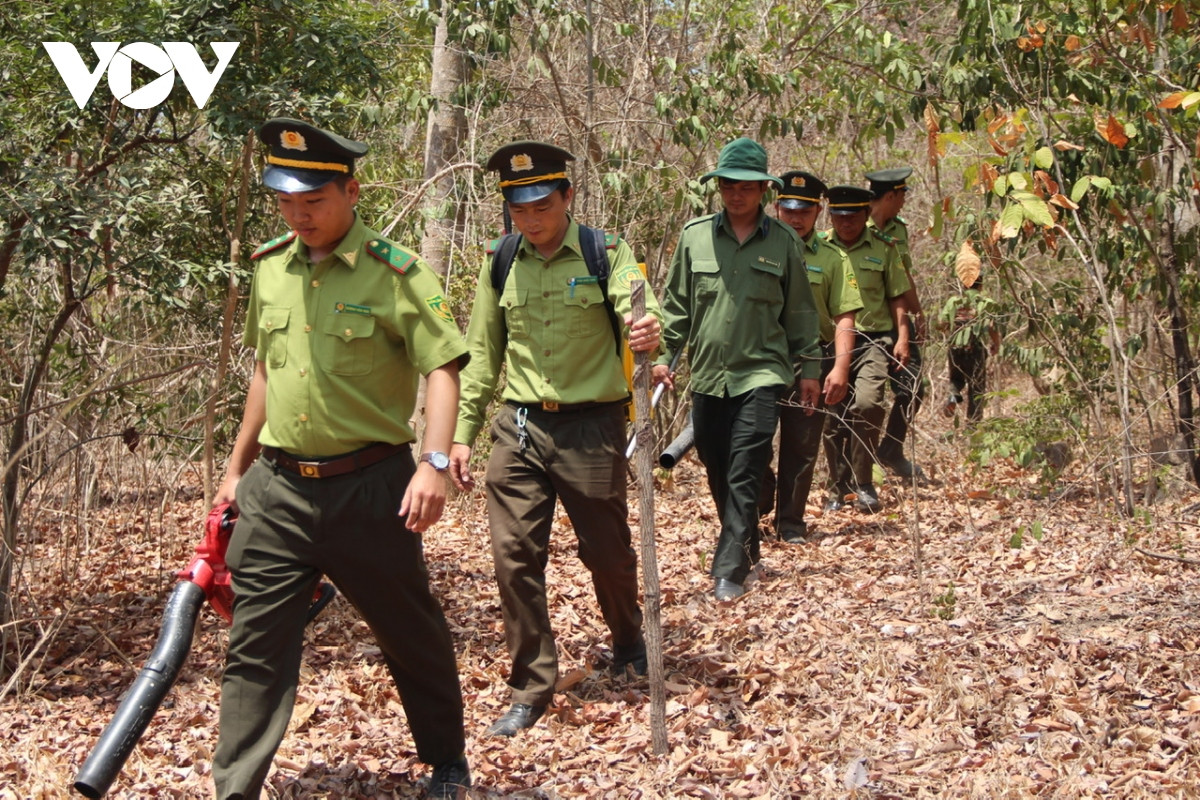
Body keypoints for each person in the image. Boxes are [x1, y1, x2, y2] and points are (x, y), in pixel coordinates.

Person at [212, 119, 471, 799]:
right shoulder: (270, 267)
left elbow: (443, 367)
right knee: (255, 647)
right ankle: (234, 788)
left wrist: (433, 463)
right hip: (277, 489)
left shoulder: (396, 272)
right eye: (286, 202)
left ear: (351, 192)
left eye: (314, 201)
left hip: (371, 488)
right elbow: (265, 373)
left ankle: (446, 759)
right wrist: (236, 470)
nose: (299, 216)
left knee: (407, 629)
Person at [449, 141, 663, 738]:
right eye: (519, 209)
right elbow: (482, 355)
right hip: (519, 426)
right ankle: (531, 685)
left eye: (542, 205)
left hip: (590, 428)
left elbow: (639, 308)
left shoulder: (606, 252)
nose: (531, 219)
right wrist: (461, 435)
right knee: (514, 555)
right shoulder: (500, 261)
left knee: (607, 552)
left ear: (567, 196)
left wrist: (647, 330)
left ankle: (628, 638)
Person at [654, 138, 821, 601]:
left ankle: (727, 570)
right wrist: (664, 358)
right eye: (728, 185)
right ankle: (747, 548)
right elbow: (676, 308)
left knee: (746, 468)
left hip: (762, 374)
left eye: (746, 186)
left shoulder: (784, 242)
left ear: (764, 190)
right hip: (709, 375)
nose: (736, 194)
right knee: (717, 468)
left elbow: (801, 312)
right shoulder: (695, 237)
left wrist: (809, 368)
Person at [771, 171, 861, 542]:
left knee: (802, 444)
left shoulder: (833, 257)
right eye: (789, 209)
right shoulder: (759, 246)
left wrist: (840, 366)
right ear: (776, 207)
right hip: (762, 357)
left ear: (818, 212)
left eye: (804, 211)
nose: (796, 218)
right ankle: (755, 504)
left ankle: (790, 522)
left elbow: (844, 315)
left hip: (812, 358)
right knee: (749, 440)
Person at [821, 184, 910, 514]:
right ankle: (838, 487)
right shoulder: (820, 248)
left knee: (868, 404)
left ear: (865, 214)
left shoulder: (885, 247)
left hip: (873, 340)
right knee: (832, 418)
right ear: (830, 216)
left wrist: (903, 336)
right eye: (839, 216)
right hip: (829, 343)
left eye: (853, 216)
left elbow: (897, 295)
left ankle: (863, 482)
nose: (846, 223)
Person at [867, 167, 927, 480]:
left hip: (898, 318)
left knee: (912, 387)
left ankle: (890, 450)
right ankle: (857, 465)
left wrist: (918, 313)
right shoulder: (855, 224)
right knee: (866, 398)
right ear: (890, 196)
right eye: (902, 195)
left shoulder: (898, 229)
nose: (904, 201)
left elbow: (902, 276)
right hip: (866, 323)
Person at [941, 269, 1002, 423]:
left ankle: (953, 397)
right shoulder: (985, 303)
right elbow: (992, 327)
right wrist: (996, 343)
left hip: (955, 348)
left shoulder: (954, 301)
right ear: (981, 285)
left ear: (963, 283)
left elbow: (941, 323)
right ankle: (973, 426)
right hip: (975, 349)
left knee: (956, 379)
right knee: (976, 389)